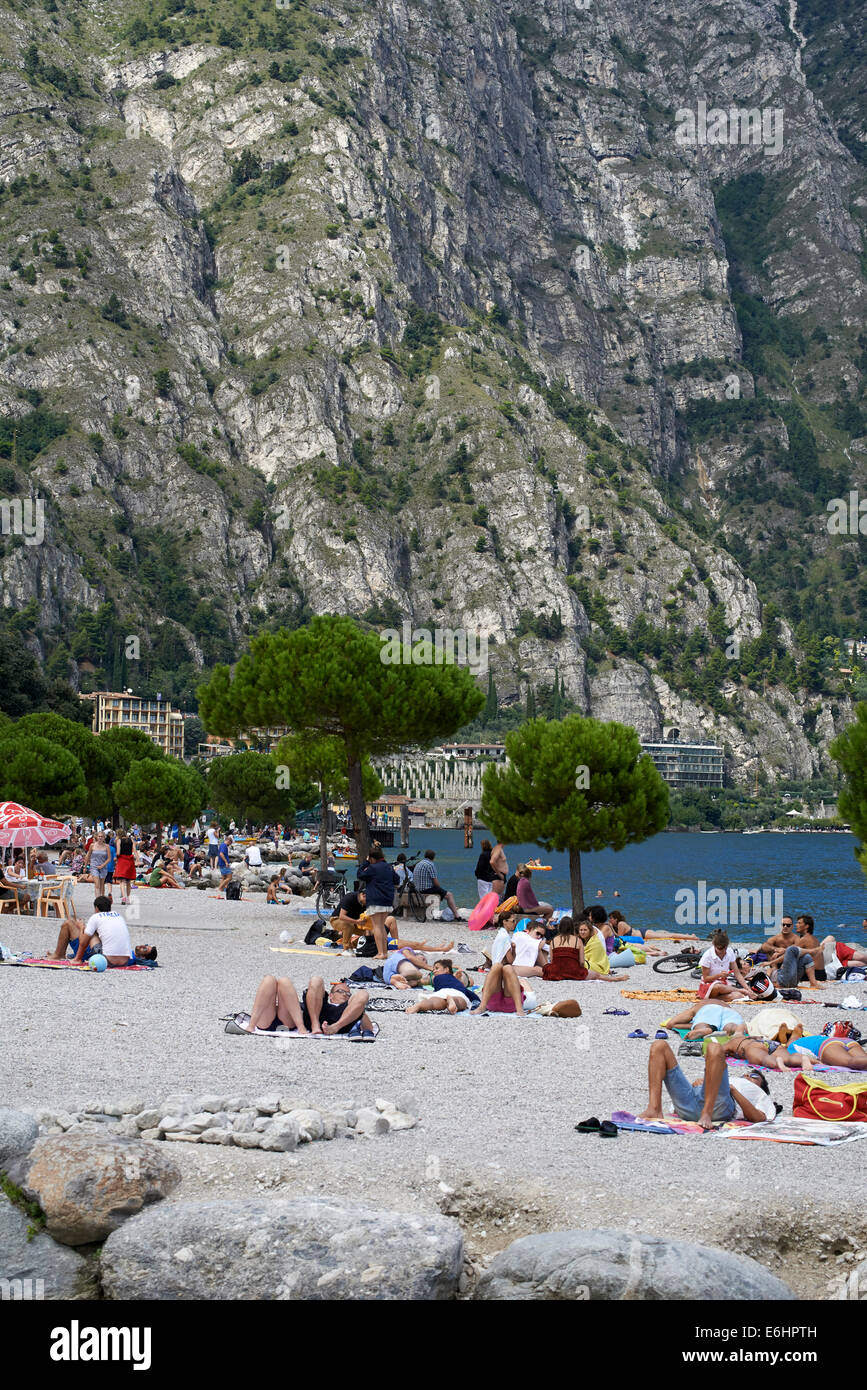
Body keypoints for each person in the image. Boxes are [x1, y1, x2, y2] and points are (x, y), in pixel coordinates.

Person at [638, 1038, 778, 1131]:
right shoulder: (732, 1079)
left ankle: (707, 1112)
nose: (747, 1075)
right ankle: (654, 1108)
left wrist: (734, 1091)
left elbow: (760, 1118)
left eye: (754, 1076)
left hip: (719, 1107)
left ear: (760, 1087)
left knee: (715, 1048)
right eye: (746, 1074)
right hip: (692, 1101)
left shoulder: (758, 1093)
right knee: (659, 1045)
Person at [234, 974, 374, 1038]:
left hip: (339, 1021)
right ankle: (313, 1026)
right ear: (330, 995)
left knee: (363, 994)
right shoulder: (322, 1003)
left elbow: (368, 1026)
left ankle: (332, 1027)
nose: (344, 994)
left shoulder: (348, 1009)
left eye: (348, 993)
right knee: (273, 980)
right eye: (340, 991)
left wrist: (359, 1010)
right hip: (289, 1018)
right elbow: (299, 1001)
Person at [48, 895, 157, 967]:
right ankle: (64, 954)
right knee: (93, 931)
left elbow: (83, 942)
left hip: (106, 960)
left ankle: (59, 955)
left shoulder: (96, 917)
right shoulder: (118, 916)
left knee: (69, 924)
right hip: (124, 961)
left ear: (96, 909)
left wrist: (81, 927)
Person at [357, 848, 400, 961]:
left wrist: (366, 862)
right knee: (381, 926)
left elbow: (360, 874)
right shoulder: (389, 867)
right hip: (387, 900)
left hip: (375, 900)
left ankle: (381, 952)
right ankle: (384, 952)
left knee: (377, 927)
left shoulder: (372, 867)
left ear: (371, 858)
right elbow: (397, 880)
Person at [769, 915, 825, 989]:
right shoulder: (812, 938)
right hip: (822, 973)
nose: (796, 925)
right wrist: (781, 952)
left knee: (779, 962)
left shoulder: (804, 939)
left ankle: (777, 980)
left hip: (815, 973)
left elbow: (791, 952)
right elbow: (792, 949)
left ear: (806, 926)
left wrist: (774, 960)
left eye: (799, 923)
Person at [406, 958, 480, 1014]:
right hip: (457, 993)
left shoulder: (437, 978)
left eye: (437, 968)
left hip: (441, 992)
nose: (434, 971)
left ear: (446, 969)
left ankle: (419, 1006)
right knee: (460, 1002)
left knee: (432, 1003)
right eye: (433, 970)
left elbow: (421, 982)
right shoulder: (457, 982)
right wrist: (477, 1001)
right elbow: (469, 993)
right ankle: (452, 1000)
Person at [697, 930, 753, 1001]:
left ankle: (711, 999)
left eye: (725, 948)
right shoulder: (708, 956)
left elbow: (737, 973)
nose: (723, 951)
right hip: (709, 985)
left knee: (738, 996)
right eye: (720, 949)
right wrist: (719, 975)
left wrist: (748, 988)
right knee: (718, 987)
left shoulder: (729, 952)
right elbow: (706, 978)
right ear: (714, 945)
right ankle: (741, 990)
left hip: (723, 985)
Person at [412, 850, 458, 918]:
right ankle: (457, 916)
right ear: (433, 857)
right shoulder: (430, 865)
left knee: (441, 892)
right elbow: (435, 882)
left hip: (417, 890)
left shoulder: (418, 864)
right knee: (449, 895)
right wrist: (441, 891)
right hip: (426, 890)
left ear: (425, 856)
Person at [785, 1032, 867, 1070]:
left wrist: (818, 1063)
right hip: (846, 1041)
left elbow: (800, 1057)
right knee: (863, 1062)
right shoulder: (805, 1039)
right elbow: (794, 1035)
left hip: (827, 1045)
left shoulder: (790, 1048)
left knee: (851, 1062)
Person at [83, 832, 110, 897]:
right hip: (94, 866)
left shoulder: (107, 846)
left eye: (102, 836)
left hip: (103, 866)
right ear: (97, 837)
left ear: (104, 838)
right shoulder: (92, 845)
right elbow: (88, 856)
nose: (100, 838)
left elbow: (109, 858)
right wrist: (85, 866)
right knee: (97, 884)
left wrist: (102, 865)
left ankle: (102, 897)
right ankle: (98, 899)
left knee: (102, 884)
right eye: (99, 836)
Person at [114, 834, 137, 905]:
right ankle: (128, 898)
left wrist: (115, 858)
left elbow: (118, 853)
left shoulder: (119, 841)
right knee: (128, 881)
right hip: (129, 860)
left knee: (122, 881)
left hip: (122, 860)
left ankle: (123, 897)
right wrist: (136, 859)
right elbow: (134, 851)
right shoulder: (131, 840)